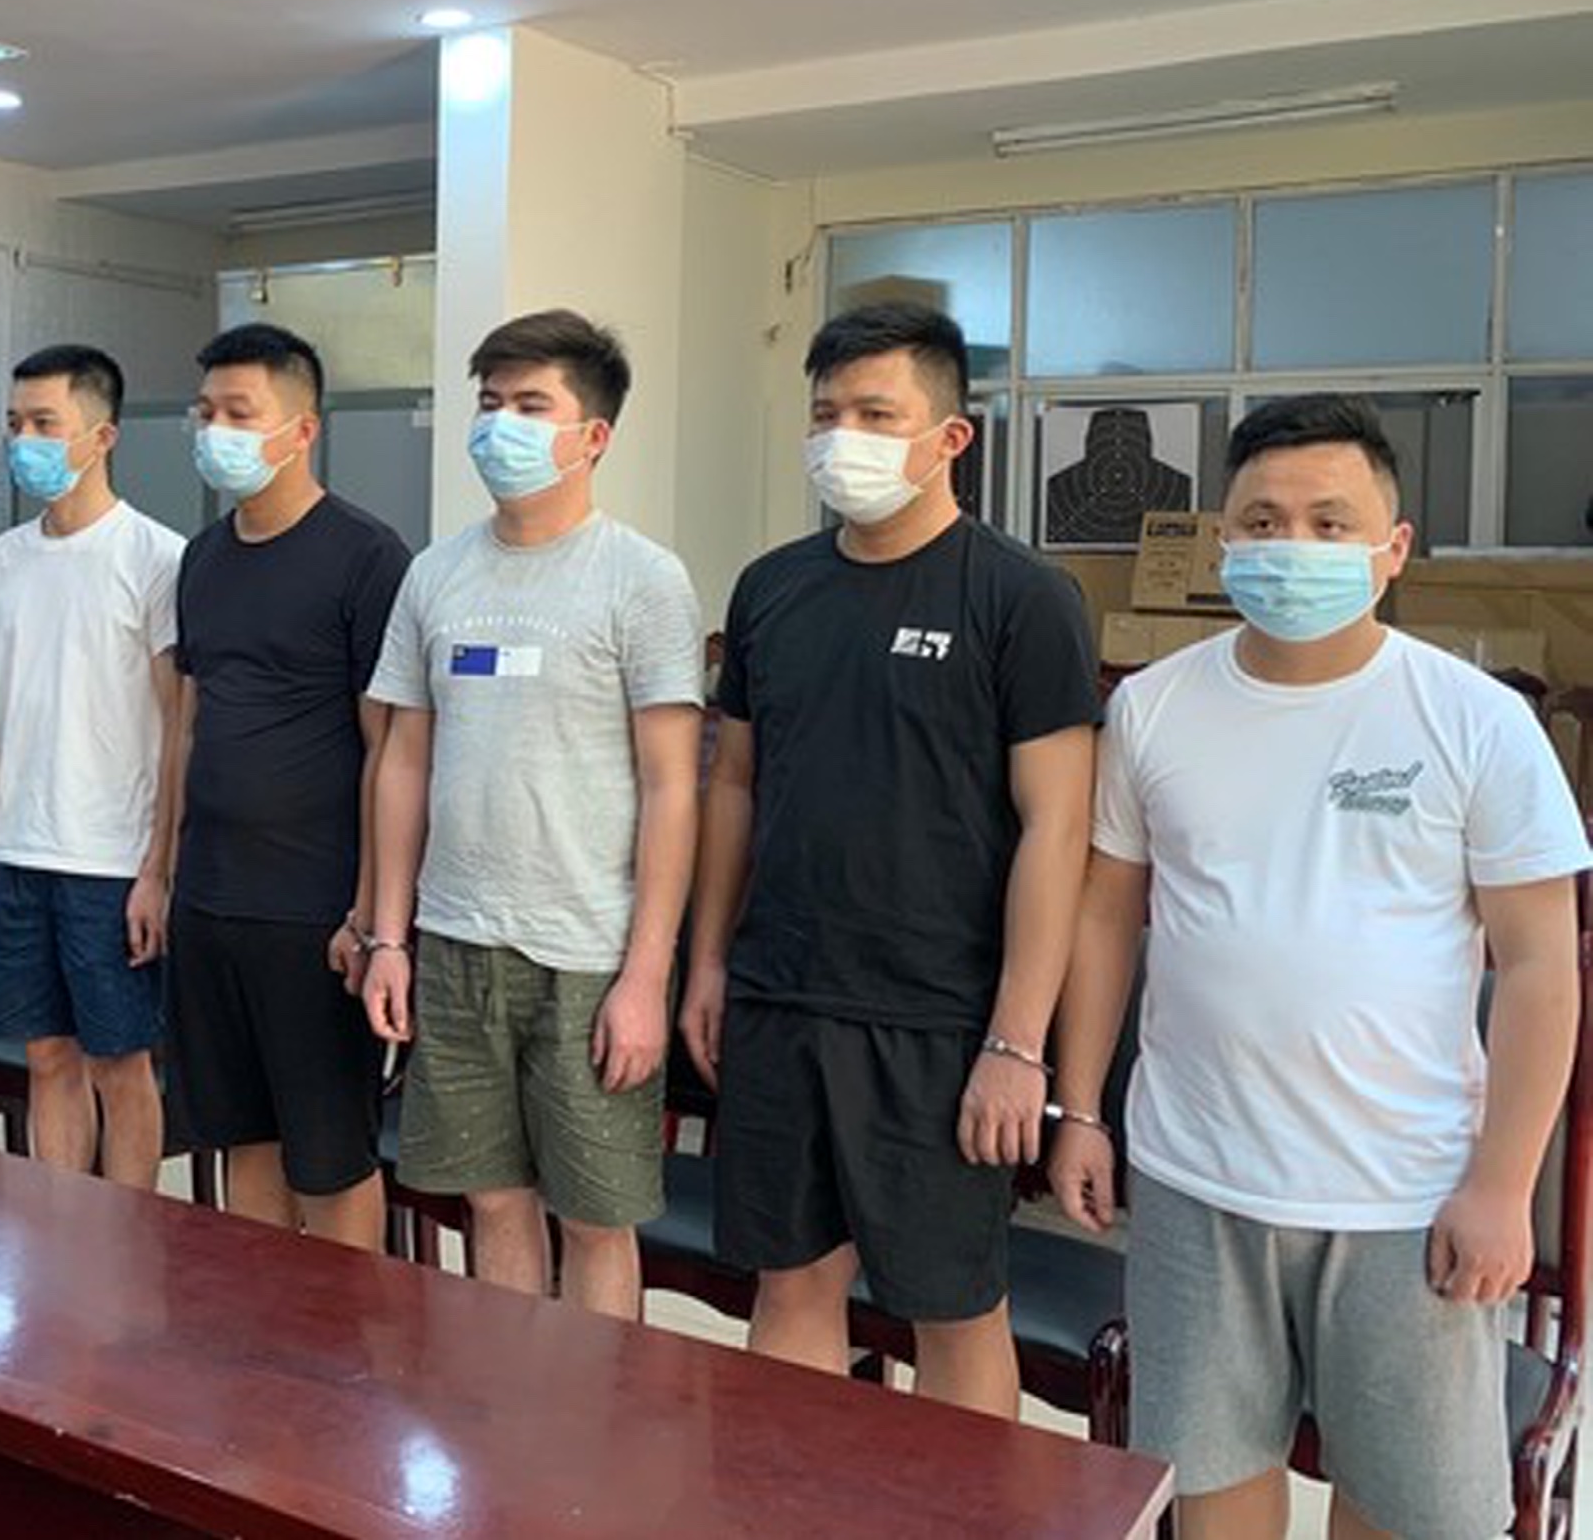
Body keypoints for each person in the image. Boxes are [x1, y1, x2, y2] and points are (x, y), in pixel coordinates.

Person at [1049, 393, 1590, 1540]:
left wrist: (1501, 1185)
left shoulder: (1475, 720)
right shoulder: (1151, 706)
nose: (1291, 545)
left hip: (1403, 1194)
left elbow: (1541, 965)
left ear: (1391, 549)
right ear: (1222, 540)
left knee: (1400, 1507)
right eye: (1262, 520)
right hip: (1195, 1179)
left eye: (1328, 522)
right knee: (1209, 1487)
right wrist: (1081, 1107)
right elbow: (1105, 916)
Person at [680, 301, 1097, 1412]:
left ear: (951, 436)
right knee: (790, 1282)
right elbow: (733, 783)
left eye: (875, 413)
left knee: (952, 1307)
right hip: (780, 994)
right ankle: (792, 1493)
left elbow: (1057, 829)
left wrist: (1017, 1039)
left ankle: (966, 1503)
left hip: (937, 1019)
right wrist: (711, 964)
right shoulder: (771, 588)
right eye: (826, 414)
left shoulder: (1021, 598)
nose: (842, 437)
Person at [361, 309, 703, 1319]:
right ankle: (506, 1398)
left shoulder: (642, 578)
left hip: (588, 952)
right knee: (491, 1198)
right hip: (455, 938)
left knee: (595, 1215)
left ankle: (592, 1410)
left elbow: (673, 785)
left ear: (591, 435)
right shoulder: (435, 572)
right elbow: (403, 759)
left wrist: (646, 974)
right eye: (489, 403)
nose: (499, 425)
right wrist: (388, 936)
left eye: (529, 404)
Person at [166, 324, 408, 1248]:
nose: (215, 431)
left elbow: (388, 750)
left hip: (314, 910)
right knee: (243, 1138)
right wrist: (165, 873)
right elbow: (190, 720)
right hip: (210, 898)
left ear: (303, 429)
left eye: (239, 412)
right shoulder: (202, 557)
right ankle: (257, 1322)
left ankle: (346, 1330)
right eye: (206, 412)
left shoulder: (366, 555)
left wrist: (370, 915)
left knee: (330, 1154)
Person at [0, 344, 184, 1187]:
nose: (24, 440)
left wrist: (157, 868)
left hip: (111, 860)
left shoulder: (156, 557)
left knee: (119, 1062)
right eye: (15, 423)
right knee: (46, 1055)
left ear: (102, 436)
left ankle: (126, 1233)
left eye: (44, 423)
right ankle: (57, 1227)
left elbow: (179, 725)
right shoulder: (1, 560)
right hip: (19, 851)